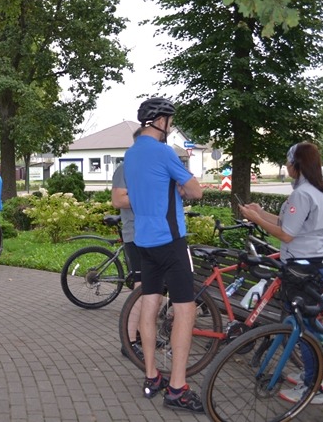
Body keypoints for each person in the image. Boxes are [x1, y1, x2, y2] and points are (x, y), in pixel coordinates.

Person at [123, 97, 204, 412]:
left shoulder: (130, 155)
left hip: (144, 241)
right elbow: (195, 190)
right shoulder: (163, 152)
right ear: (159, 120)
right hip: (170, 241)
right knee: (186, 310)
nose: (171, 126)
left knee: (149, 302)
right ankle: (178, 389)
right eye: (170, 120)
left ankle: (152, 375)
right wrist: (181, 189)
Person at [239, 142, 323, 405]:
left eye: (288, 162)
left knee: (303, 328)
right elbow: (289, 223)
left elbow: (286, 234)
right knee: (306, 324)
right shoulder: (316, 190)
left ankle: (313, 387)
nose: (286, 166)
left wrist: (254, 219)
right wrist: (260, 212)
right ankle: (313, 375)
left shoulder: (302, 194)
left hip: (304, 269)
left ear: (297, 164)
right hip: (317, 263)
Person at [111, 130, 144, 361]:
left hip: (153, 236)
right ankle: (130, 341)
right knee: (142, 289)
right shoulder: (126, 167)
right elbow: (119, 200)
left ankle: (140, 335)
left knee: (150, 289)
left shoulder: (148, 165)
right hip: (136, 235)